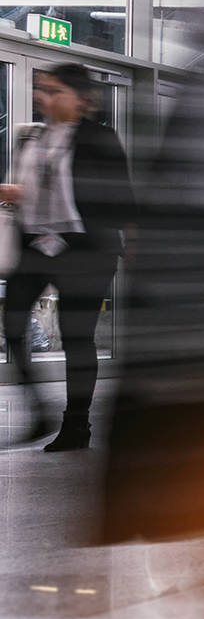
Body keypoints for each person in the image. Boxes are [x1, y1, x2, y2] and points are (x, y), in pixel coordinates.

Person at [1, 62, 136, 452]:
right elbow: (30, 185)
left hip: (84, 249)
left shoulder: (100, 138)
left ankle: (76, 424)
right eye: (42, 90)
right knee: (12, 325)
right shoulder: (31, 137)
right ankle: (39, 408)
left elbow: (122, 198)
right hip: (35, 246)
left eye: (55, 90)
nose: (45, 97)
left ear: (81, 99)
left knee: (77, 337)